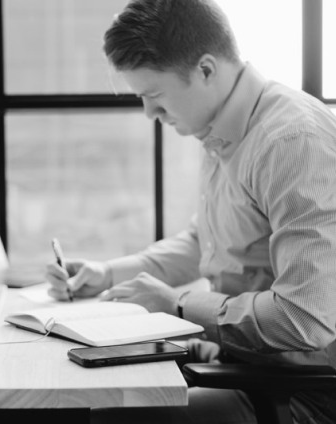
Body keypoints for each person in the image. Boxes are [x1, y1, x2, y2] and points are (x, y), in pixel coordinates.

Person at [45, 0, 336, 423]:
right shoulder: (224, 129)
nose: (149, 113)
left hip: (305, 394)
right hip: (254, 367)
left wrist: (178, 304)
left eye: (154, 95)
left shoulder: (291, 142)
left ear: (205, 70)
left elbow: (304, 319)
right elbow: (207, 240)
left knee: (110, 415)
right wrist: (108, 274)